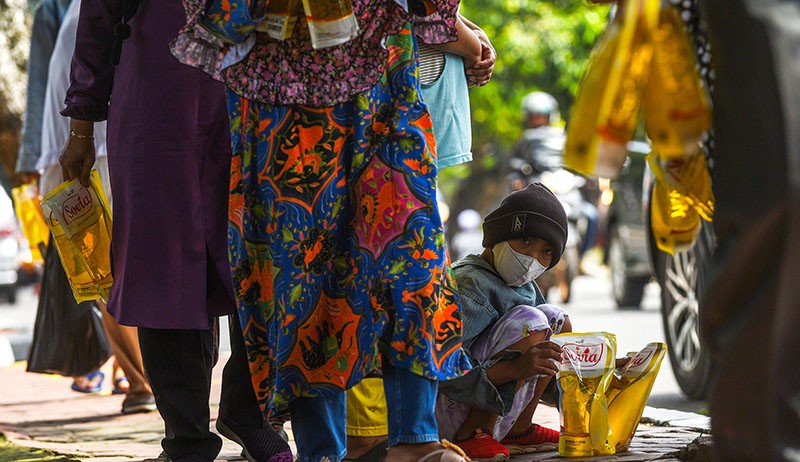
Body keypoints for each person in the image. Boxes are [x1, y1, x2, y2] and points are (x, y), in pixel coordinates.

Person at [172, 2, 473, 462]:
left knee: (413, 258)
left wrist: (461, 30)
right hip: (283, 100)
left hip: (383, 88)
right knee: (306, 282)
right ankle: (322, 453)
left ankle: (415, 440)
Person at [58, 1, 291, 461]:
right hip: (152, 105)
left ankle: (252, 413)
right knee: (163, 270)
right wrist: (81, 128)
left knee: (263, 262)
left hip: (254, 99)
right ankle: (186, 439)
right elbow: (98, 20)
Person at [344, 14, 496, 460]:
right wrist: (470, 44)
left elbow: (435, 11)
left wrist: (469, 32)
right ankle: (384, 437)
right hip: (382, 112)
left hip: (394, 111)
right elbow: (422, 11)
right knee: (400, 277)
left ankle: (384, 437)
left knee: (388, 276)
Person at [37, 0, 155, 414]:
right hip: (98, 154)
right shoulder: (76, 15)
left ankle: (140, 377)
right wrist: (58, 159)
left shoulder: (78, 14)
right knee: (111, 272)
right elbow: (62, 87)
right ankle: (141, 379)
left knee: (121, 269)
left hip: (114, 147)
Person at [436, 183, 570, 460]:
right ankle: (474, 433)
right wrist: (515, 368)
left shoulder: (524, 286)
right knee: (531, 321)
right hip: (447, 413)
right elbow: (445, 370)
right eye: (525, 241)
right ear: (498, 235)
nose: (532, 258)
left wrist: (599, 367)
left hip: (488, 398)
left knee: (557, 320)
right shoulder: (470, 284)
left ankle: (519, 429)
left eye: (546, 251)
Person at [511, 92, 599, 260]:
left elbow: (581, 161)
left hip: (567, 192)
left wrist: (590, 177)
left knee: (592, 215)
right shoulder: (525, 140)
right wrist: (517, 180)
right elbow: (515, 167)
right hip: (539, 192)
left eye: (542, 117)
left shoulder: (565, 137)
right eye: (535, 117)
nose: (539, 121)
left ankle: (584, 256)